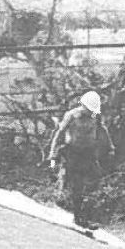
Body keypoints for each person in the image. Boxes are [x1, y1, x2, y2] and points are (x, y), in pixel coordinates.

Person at [47, 90, 115, 229]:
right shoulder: (71, 116)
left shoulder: (95, 116)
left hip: (88, 153)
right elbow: (58, 135)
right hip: (73, 153)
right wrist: (53, 157)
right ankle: (79, 217)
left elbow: (102, 129)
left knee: (93, 181)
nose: (89, 113)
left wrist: (110, 146)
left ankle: (86, 214)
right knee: (76, 184)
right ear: (82, 105)